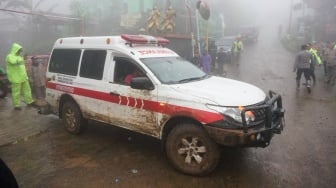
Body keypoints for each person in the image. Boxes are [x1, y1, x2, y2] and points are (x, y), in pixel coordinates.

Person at [5, 43, 35, 110]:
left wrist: (28, 59)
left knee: (27, 90)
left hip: (23, 77)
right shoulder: (9, 56)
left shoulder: (19, 57)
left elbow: (22, 63)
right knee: (16, 92)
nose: (20, 52)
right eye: (19, 50)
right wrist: (23, 59)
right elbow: (13, 62)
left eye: (20, 51)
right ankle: (17, 105)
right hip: (15, 78)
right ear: (15, 50)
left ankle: (29, 101)